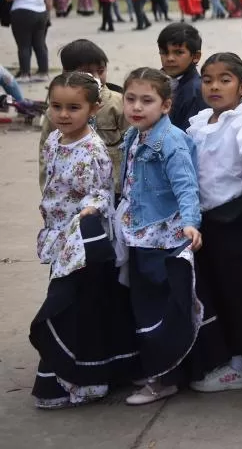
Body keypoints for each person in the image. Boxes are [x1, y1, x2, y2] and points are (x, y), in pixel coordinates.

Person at [29, 71, 136, 409]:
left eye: (73, 107)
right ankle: (72, 375)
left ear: (93, 108)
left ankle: (88, 380)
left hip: (83, 243)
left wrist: (90, 209)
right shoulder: (53, 140)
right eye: (56, 106)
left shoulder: (92, 149)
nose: (63, 114)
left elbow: (102, 192)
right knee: (75, 309)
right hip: (59, 239)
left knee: (75, 309)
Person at [186, 53, 242, 394]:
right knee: (214, 290)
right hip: (206, 220)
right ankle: (219, 354)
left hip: (237, 219)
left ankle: (238, 362)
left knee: (240, 291)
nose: (214, 86)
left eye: (224, 80)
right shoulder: (200, 122)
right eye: (208, 80)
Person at [117, 67, 204, 406]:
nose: (136, 107)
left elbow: (186, 185)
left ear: (166, 105)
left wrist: (191, 222)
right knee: (141, 306)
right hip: (138, 235)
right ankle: (155, 369)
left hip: (164, 238)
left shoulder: (170, 141)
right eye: (130, 99)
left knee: (158, 310)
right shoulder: (133, 135)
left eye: (146, 100)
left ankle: (164, 378)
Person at [37, 39, 128, 194]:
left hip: (112, 189)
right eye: (88, 72)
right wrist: (47, 190)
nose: (96, 77)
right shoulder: (55, 112)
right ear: (66, 73)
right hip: (67, 192)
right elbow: (44, 154)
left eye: (101, 71)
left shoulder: (118, 103)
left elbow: (132, 146)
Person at [3, 0, 51, 82]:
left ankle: (25, 74)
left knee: (24, 44)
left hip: (22, 13)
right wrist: (46, 13)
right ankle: (43, 72)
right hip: (41, 13)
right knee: (40, 44)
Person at [158, 22, 207, 131]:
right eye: (164, 52)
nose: (170, 58)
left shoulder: (196, 92)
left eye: (178, 52)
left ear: (196, 56)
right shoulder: (156, 81)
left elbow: (188, 135)